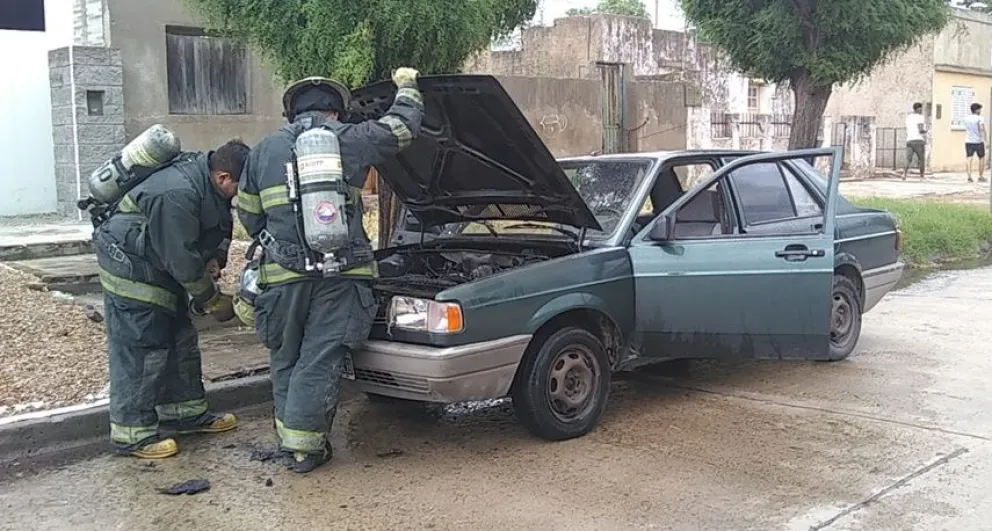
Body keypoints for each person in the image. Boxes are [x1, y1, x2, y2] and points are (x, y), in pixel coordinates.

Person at [236, 68, 424, 473]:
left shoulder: (262, 150)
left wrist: (280, 239)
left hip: (280, 276)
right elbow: (402, 129)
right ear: (337, 112)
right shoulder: (349, 140)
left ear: (291, 113)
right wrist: (407, 86)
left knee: (285, 356)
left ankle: (290, 439)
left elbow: (249, 217)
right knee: (319, 357)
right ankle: (306, 448)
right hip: (339, 276)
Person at [94, 139, 249, 459]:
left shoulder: (207, 182)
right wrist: (209, 298)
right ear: (222, 177)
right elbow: (180, 258)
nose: (242, 195)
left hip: (158, 262)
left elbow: (219, 224)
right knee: (143, 345)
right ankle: (132, 433)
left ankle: (184, 414)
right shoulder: (175, 193)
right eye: (240, 187)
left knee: (180, 338)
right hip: (132, 266)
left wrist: (215, 258)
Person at [903, 102, 927, 181]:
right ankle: (922, 176)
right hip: (918, 140)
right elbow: (920, 129)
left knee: (908, 159)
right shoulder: (920, 117)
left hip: (909, 140)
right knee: (921, 159)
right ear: (918, 109)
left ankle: (904, 174)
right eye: (921, 109)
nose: (921, 110)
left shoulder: (908, 117)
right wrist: (926, 131)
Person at [964, 102, 987, 183]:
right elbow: (982, 129)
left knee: (969, 158)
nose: (980, 111)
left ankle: (969, 176)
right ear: (977, 110)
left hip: (968, 141)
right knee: (982, 158)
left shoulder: (966, 118)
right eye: (980, 109)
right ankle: (980, 176)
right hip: (978, 141)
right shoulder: (980, 118)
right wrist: (985, 139)